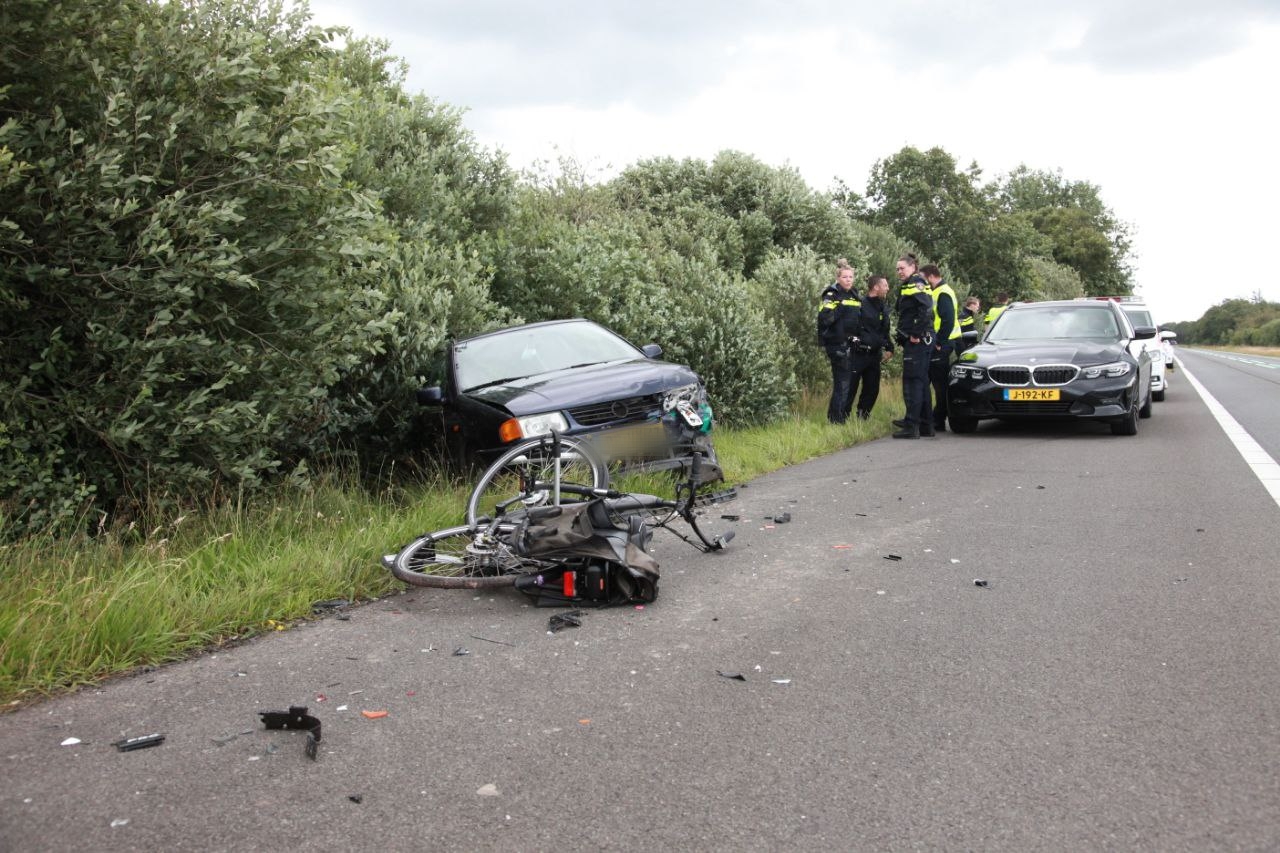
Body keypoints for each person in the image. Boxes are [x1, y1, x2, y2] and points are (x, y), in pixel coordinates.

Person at [892, 254, 935, 438]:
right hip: (920, 340)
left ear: (912, 267)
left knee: (912, 383)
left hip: (917, 341)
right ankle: (926, 425)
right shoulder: (913, 283)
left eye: (902, 268)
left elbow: (925, 310)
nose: (899, 272)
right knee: (922, 382)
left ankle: (911, 426)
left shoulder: (915, 283)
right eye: (897, 269)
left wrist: (915, 334)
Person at [816, 259, 861, 424]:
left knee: (846, 383)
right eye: (845, 277)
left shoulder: (854, 294)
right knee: (842, 382)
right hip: (836, 344)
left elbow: (857, 319)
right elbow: (825, 319)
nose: (848, 280)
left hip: (850, 344)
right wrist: (840, 309)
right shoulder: (831, 294)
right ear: (838, 278)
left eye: (851, 277)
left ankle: (837, 417)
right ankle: (836, 420)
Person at [846, 274, 895, 420]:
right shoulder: (861, 304)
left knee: (872, 388)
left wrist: (890, 347)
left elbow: (884, 330)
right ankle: (842, 417)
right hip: (858, 353)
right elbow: (850, 327)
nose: (888, 288)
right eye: (885, 285)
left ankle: (863, 416)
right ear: (876, 287)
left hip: (875, 355)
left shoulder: (883, 307)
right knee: (850, 388)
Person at [920, 264, 960, 432]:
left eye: (923, 279)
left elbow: (948, 320)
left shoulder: (942, 292)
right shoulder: (937, 291)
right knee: (934, 381)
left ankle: (939, 419)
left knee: (939, 384)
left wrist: (939, 342)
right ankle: (932, 418)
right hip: (940, 342)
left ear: (930, 277)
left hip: (942, 343)